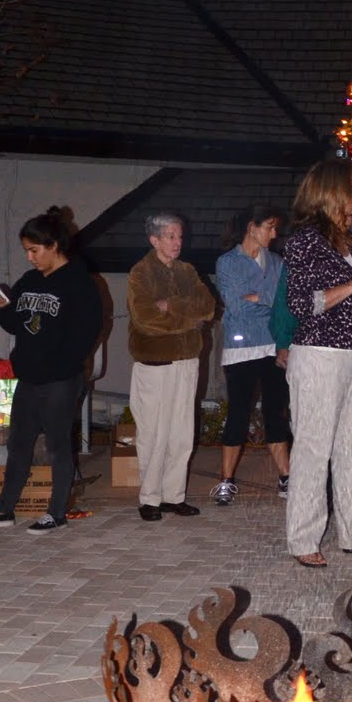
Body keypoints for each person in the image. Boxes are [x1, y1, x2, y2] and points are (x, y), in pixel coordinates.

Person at [281, 159, 352, 566]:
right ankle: (303, 539)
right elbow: (302, 304)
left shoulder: (348, 239)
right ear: (331, 193)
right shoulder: (304, 241)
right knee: (313, 447)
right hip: (319, 356)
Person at [0, 206, 103, 534]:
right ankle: (3, 509)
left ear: (54, 245)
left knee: (58, 445)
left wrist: (62, 366)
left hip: (60, 379)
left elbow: (88, 331)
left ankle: (56, 512)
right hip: (28, 378)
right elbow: (17, 324)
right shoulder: (28, 280)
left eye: (34, 250)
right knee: (19, 444)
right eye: (26, 251)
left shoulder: (79, 282)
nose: (29, 257)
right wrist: (2, 308)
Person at [271, 209, 352, 515]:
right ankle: (317, 508)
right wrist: (283, 339)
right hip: (317, 352)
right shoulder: (307, 240)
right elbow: (290, 295)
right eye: (349, 194)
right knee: (315, 436)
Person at [126, 212, 216, 522]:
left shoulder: (188, 271)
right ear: (154, 240)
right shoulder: (141, 273)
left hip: (188, 361)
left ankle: (173, 496)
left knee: (181, 432)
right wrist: (190, 321)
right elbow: (147, 320)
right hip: (155, 364)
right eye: (171, 236)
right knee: (153, 432)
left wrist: (172, 306)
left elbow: (208, 307)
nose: (178, 242)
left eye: (179, 236)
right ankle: (150, 498)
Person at [213, 206, 290, 507]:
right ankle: (226, 480)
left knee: (276, 411)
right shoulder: (227, 262)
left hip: (273, 345)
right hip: (240, 347)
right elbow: (235, 306)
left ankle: (286, 476)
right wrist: (266, 298)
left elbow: (284, 302)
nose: (274, 234)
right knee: (238, 414)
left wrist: (259, 297)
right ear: (251, 227)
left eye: (275, 228)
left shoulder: (278, 262)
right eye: (269, 227)